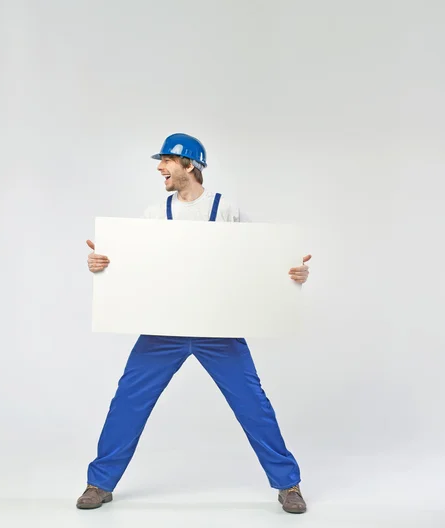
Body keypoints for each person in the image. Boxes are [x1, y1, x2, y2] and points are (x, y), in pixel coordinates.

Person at [78, 133, 312, 514]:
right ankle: (99, 483)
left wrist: (293, 273)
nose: (160, 167)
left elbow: (260, 259)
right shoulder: (156, 213)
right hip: (163, 330)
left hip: (218, 330)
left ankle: (289, 484)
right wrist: (103, 264)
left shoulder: (226, 210)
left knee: (253, 404)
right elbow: (135, 264)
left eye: (167, 160)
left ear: (190, 165)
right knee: (128, 402)